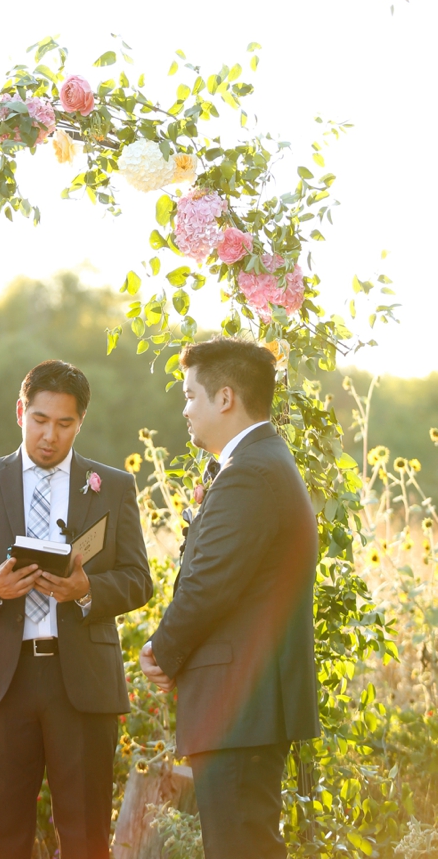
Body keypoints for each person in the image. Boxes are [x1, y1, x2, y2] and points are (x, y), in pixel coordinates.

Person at [0, 359, 152, 859]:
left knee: (86, 835)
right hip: (1, 683)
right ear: (19, 412)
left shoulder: (112, 486)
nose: (50, 435)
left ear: (81, 423)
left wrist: (85, 590)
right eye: (40, 420)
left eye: (65, 423)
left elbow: (139, 580)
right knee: (2, 838)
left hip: (82, 683)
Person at [139, 338, 320, 859]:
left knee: (241, 846)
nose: (184, 408)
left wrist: (162, 650)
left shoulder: (250, 474)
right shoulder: (261, 463)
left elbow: (208, 584)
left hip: (241, 703)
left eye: (191, 395)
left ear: (224, 398)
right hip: (249, 704)